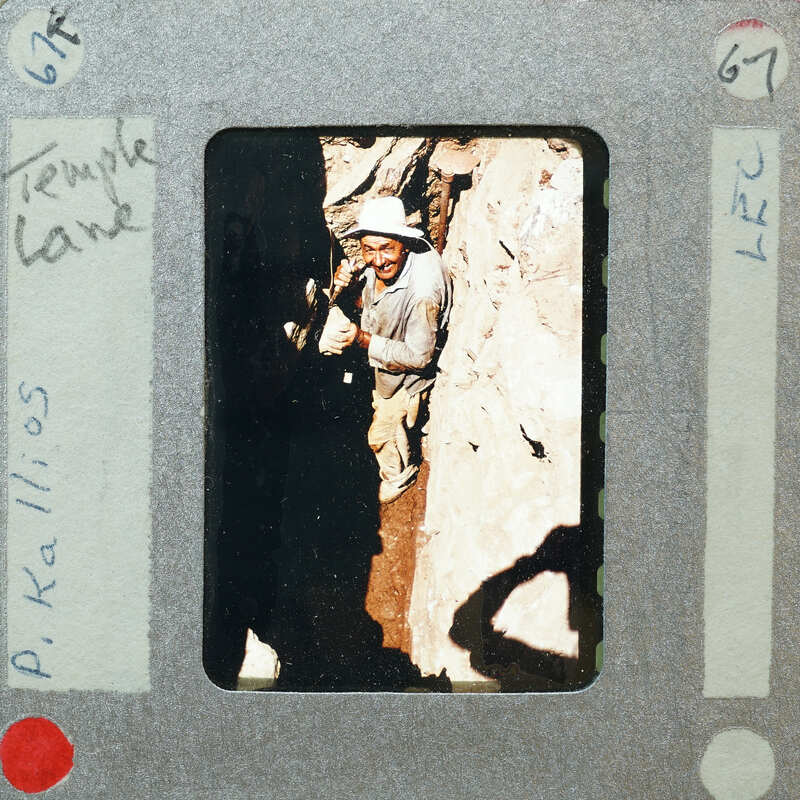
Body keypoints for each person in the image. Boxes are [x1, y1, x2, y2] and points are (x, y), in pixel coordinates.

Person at [319, 196, 452, 503]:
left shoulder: (421, 293)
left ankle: (399, 476)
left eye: (386, 249)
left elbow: (419, 357)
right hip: (383, 357)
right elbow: (374, 296)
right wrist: (350, 283)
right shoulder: (386, 264)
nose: (377, 260)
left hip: (403, 381)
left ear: (404, 243)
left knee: (382, 436)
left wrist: (361, 338)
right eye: (369, 249)